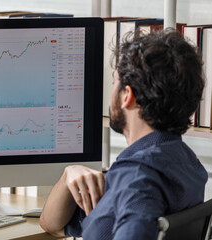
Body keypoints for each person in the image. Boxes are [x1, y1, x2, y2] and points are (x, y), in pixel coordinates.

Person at [39, 29, 208, 240]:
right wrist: (68, 174)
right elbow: (53, 226)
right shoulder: (185, 162)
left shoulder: (136, 176)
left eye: (114, 82)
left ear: (128, 95)